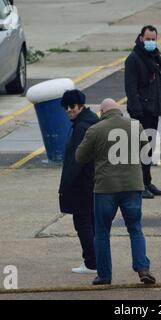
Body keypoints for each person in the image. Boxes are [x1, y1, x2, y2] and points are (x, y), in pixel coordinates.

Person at [76, 98, 156, 285]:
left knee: (102, 232)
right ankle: (142, 268)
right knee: (135, 229)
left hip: (105, 189)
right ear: (118, 111)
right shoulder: (136, 126)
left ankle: (104, 275)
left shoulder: (95, 129)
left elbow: (80, 156)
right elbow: (147, 153)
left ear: (102, 112)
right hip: (132, 187)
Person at [125, 25, 161, 199]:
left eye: (154, 39)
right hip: (141, 113)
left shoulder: (155, 57)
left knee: (149, 149)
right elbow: (130, 88)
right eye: (148, 39)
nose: (151, 42)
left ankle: (147, 181)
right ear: (141, 38)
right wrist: (137, 112)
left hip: (154, 110)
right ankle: (140, 184)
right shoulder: (133, 59)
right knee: (141, 149)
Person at [59, 89, 99, 273]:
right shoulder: (90, 122)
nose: (69, 110)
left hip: (82, 184)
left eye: (72, 106)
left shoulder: (81, 127)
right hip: (93, 181)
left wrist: (65, 186)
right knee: (90, 222)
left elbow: (76, 160)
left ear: (81, 105)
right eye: (66, 107)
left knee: (82, 222)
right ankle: (96, 260)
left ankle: (91, 262)